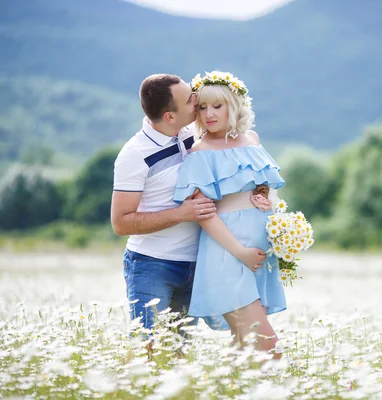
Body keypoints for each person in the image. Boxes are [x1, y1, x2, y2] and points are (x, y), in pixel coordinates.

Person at [111, 73, 245, 332]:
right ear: (170, 116)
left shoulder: (193, 134)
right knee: (149, 350)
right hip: (152, 265)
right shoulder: (134, 155)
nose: (197, 100)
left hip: (196, 264)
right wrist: (180, 214)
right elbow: (120, 223)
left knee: (181, 354)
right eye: (189, 100)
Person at [173, 70, 286, 357]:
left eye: (217, 106)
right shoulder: (200, 152)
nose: (208, 114)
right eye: (202, 107)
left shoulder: (251, 139)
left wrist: (261, 196)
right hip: (228, 254)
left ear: (233, 106)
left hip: (258, 253)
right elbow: (205, 214)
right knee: (266, 346)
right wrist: (240, 251)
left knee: (244, 347)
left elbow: (260, 184)